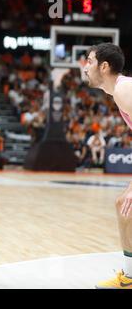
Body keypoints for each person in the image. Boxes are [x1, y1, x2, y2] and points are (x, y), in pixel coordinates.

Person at [82, 43, 132, 288]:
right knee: (124, 206)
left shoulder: (124, 90)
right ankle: (130, 277)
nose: (85, 67)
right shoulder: (119, 93)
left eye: (89, 61)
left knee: (127, 204)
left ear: (104, 66)